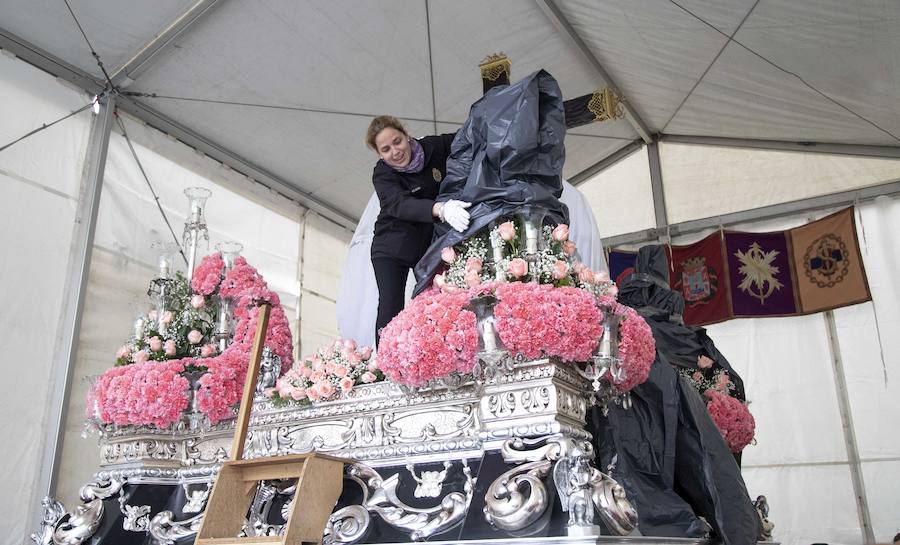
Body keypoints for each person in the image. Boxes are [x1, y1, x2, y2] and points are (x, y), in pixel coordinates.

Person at [366, 115, 471, 346]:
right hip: (391, 248)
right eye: (386, 149)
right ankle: (387, 362)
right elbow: (398, 204)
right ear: (379, 154)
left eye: (397, 141)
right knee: (391, 306)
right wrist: (440, 209)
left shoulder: (434, 147)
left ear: (406, 135)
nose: (395, 151)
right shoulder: (383, 174)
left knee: (434, 300)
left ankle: (433, 353)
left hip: (425, 245)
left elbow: (468, 136)